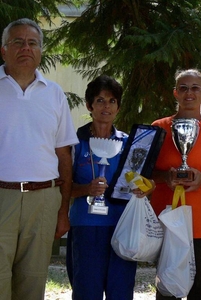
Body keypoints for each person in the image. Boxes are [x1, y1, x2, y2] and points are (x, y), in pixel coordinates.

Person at [0, 18, 79, 300]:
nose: (26, 48)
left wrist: (62, 210)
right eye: (18, 42)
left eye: (32, 43)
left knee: (32, 285)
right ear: (4, 50)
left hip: (44, 199)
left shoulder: (55, 94)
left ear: (40, 51)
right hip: (1, 197)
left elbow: (63, 155)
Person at [66, 75, 154, 300]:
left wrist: (146, 187)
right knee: (87, 292)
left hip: (123, 227)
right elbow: (63, 186)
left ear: (118, 107)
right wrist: (86, 189)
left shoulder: (130, 144)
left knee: (121, 292)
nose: (106, 106)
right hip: (86, 227)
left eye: (112, 101)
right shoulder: (75, 141)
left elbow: (145, 181)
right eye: (100, 100)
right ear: (89, 105)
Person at [150, 69, 201, 300]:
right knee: (167, 289)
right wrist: (165, 177)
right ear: (175, 93)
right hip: (167, 220)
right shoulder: (158, 127)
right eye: (183, 88)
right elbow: (145, 172)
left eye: (195, 88)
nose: (189, 93)